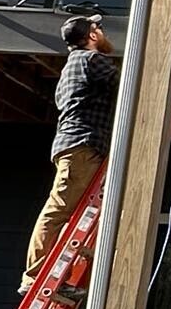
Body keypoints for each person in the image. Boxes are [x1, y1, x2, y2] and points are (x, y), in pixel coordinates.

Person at [22, 14, 119, 289]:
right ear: (91, 35)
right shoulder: (91, 60)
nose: (102, 32)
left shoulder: (71, 66)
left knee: (67, 212)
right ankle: (35, 278)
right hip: (82, 145)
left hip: (75, 146)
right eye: (98, 28)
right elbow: (128, 85)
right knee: (58, 211)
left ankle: (54, 275)